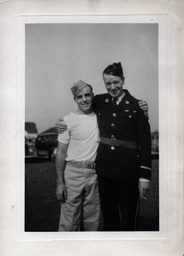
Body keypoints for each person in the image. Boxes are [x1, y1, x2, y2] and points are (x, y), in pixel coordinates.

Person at [56, 62, 152, 231]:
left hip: (128, 173)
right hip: (105, 174)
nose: (112, 87)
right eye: (108, 83)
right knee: (109, 220)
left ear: (123, 80)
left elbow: (145, 144)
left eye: (116, 82)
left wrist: (145, 177)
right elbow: (80, 107)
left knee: (128, 220)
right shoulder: (99, 100)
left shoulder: (137, 106)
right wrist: (60, 123)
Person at [55, 80, 101, 231]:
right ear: (75, 99)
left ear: (92, 95)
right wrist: (60, 182)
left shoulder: (100, 118)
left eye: (87, 95)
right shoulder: (67, 120)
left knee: (92, 221)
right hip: (73, 174)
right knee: (69, 222)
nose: (84, 99)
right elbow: (61, 153)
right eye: (79, 97)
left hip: (94, 173)